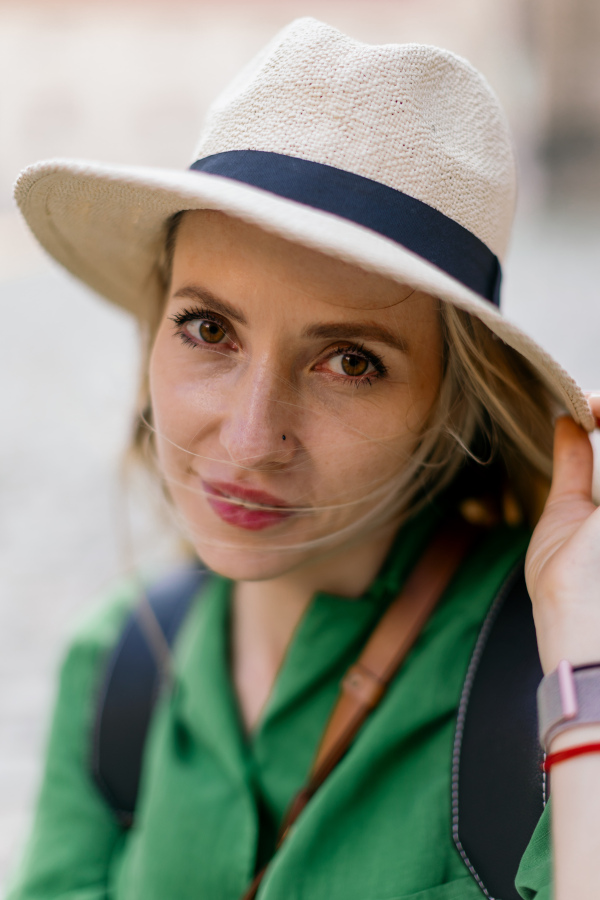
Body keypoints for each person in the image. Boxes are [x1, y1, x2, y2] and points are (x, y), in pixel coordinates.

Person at [8, 17, 600, 900]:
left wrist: (583, 682)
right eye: (208, 329)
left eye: (351, 362)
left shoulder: (544, 689)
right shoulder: (118, 669)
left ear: (451, 405)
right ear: (152, 333)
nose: (249, 440)